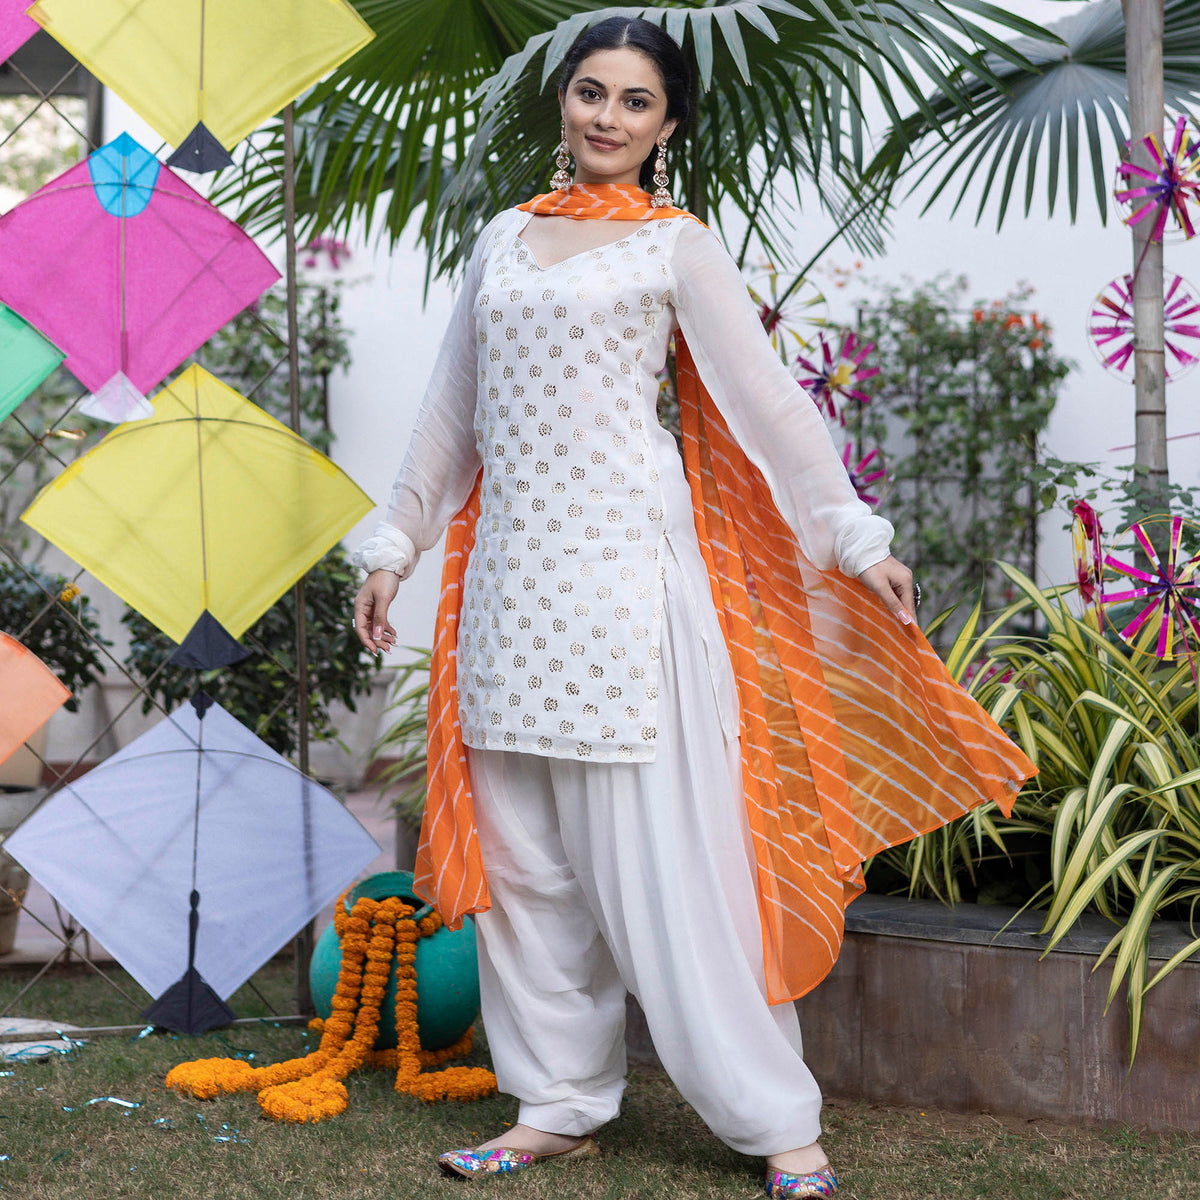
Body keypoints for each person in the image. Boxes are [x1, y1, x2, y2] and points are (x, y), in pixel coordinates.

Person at [353, 17, 1034, 1199]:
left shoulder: (677, 246)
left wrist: (852, 532)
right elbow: (448, 416)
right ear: (562, 104)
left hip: (630, 586)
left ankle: (780, 1126)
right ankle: (557, 1104)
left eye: (633, 102)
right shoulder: (502, 240)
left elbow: (768, 408)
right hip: (510, 591)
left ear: (668, 127)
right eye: (590, 93)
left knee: (666, 870)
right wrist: (394, 543)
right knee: (528, 873)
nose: (605, 117)